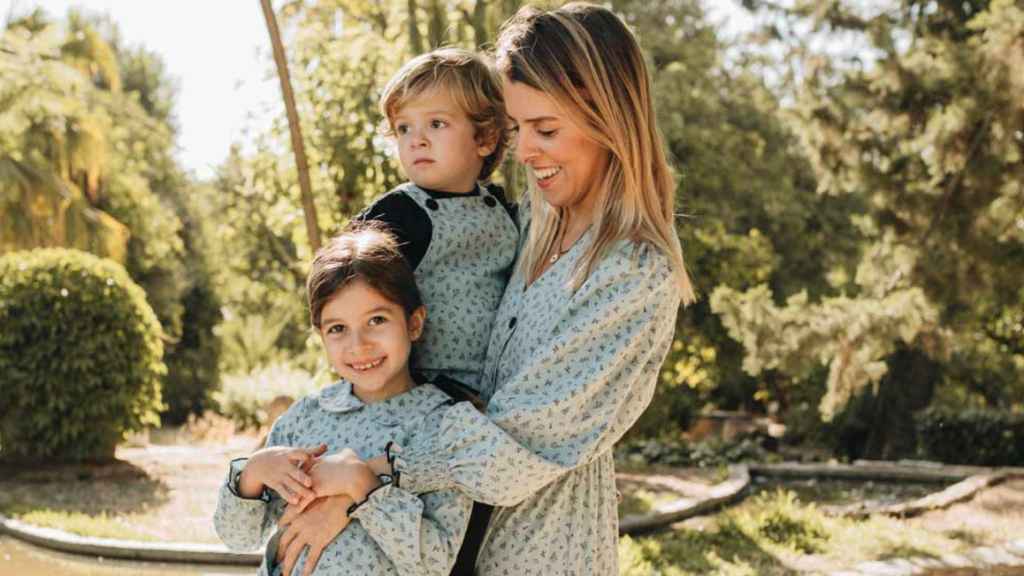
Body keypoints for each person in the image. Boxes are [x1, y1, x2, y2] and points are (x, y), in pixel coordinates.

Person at [277, 3, 697, 574]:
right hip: (434, 534)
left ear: (610, 117)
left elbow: (519, 444)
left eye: (546, 129)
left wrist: (370, 479)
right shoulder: (530, 222)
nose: (523, 153)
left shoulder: (634, 270)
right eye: (518, 128)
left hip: (536, 549)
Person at [213, 227, 472, 576]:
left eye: (376, 320)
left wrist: (363, 486)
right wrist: (253, 472)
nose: (358, 345)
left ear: (414, 323)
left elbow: (436, 561)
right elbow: (237, 538)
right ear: (321, 335)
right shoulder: (304, 418)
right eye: (338, 329)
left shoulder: (444, 425)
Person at [356, 46, 518, 389]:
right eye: (403, 128)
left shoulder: (503, 209)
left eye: (436, 124)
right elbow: (347, 288)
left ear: (486, 137)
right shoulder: (398, 214)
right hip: (421, 389)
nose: (417, 141)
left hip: (496, 385)